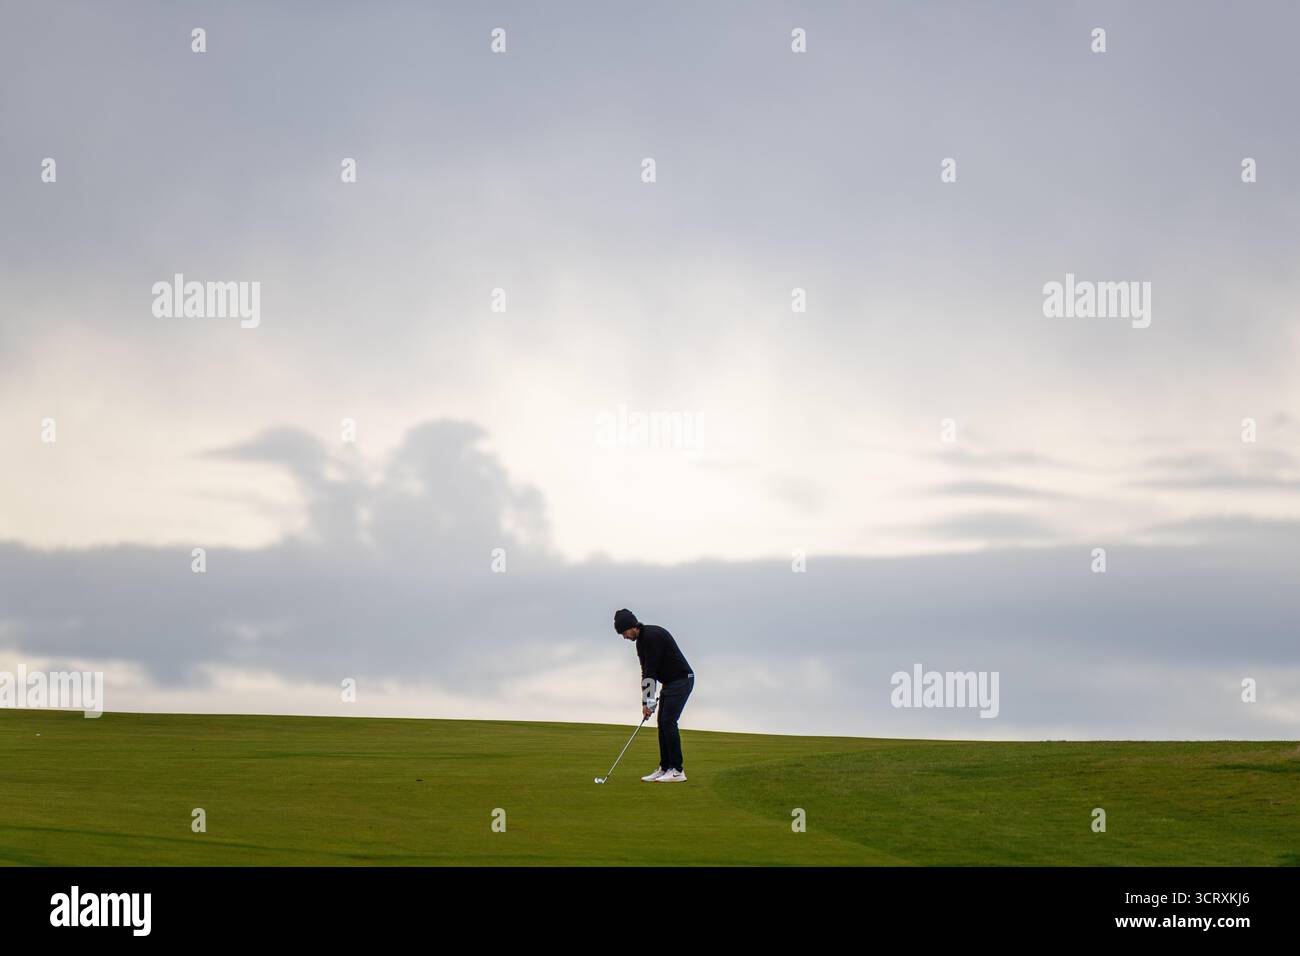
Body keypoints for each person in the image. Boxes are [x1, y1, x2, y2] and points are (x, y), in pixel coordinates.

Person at [614, 608, 694, 782]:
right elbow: (645, 672)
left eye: (624, 632)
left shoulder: (651, 637)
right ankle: (665, 768)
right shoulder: (640, 642)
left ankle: (677, 771)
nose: (624, 637)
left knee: (668, 721)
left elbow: (651, 671)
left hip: (682, 680)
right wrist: (646, 701)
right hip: (670, 682)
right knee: (662, 723)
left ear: (632, 626)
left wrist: (648, 701)